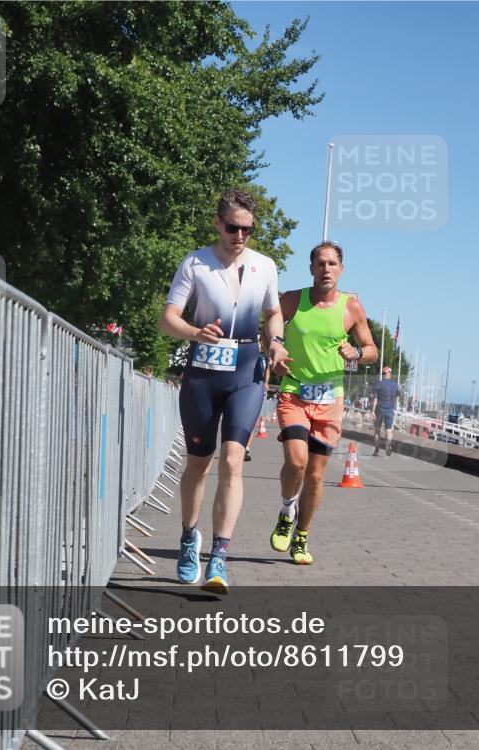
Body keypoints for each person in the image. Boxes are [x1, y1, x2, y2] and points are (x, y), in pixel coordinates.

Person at [158, 188, 288, 593]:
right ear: (218, 223)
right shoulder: (195, 263)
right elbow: (167, 320)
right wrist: (196, 332)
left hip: (246, 371)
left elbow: (272, 313)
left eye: (248, 229)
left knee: (234, 459)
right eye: (233, 227)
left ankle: (219, 557)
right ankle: (188, 537)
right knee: (199, 464)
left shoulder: (264, 267)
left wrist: (277, 342)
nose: (240, 236)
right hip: (202, 374)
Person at [269, 241, 377, 564]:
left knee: (315, 475)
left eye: (332, 264)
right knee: (297, 461)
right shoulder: (292, 300)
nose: (326, 269)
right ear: (311, 268)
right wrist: (274, 349)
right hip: (294, 392)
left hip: (330, 399)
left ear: (341, 270)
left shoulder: (351, 308)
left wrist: (356, 353)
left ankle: (301, 536)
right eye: (320, 263)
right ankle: (287, 510)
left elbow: (371, 349)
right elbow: (270, 326)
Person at [372, 366, 400, 456]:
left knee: (377, 430)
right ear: (390, 374)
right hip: (390, 409)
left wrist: (372, 411)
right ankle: (388, 443)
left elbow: (375, 399)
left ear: (384, 374)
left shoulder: (378, 384)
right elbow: (397, 397)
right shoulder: (395, 385)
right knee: (389, 429)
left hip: (379, 409)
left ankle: (376, 449)